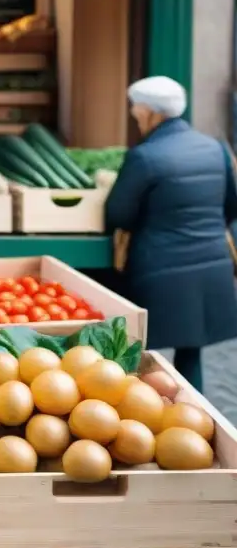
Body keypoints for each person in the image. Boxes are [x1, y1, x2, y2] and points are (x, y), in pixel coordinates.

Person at [105, 75, 237, 392]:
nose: (134, 113)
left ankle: (143, 414)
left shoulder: (145, 156)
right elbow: (230, 206)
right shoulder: (215, 149)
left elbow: (118, 214)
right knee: (190, 352)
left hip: (160, 271)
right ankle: (195, 416)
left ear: (152, 112)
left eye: (136, 107)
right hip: (210, 265)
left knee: (134, 347)